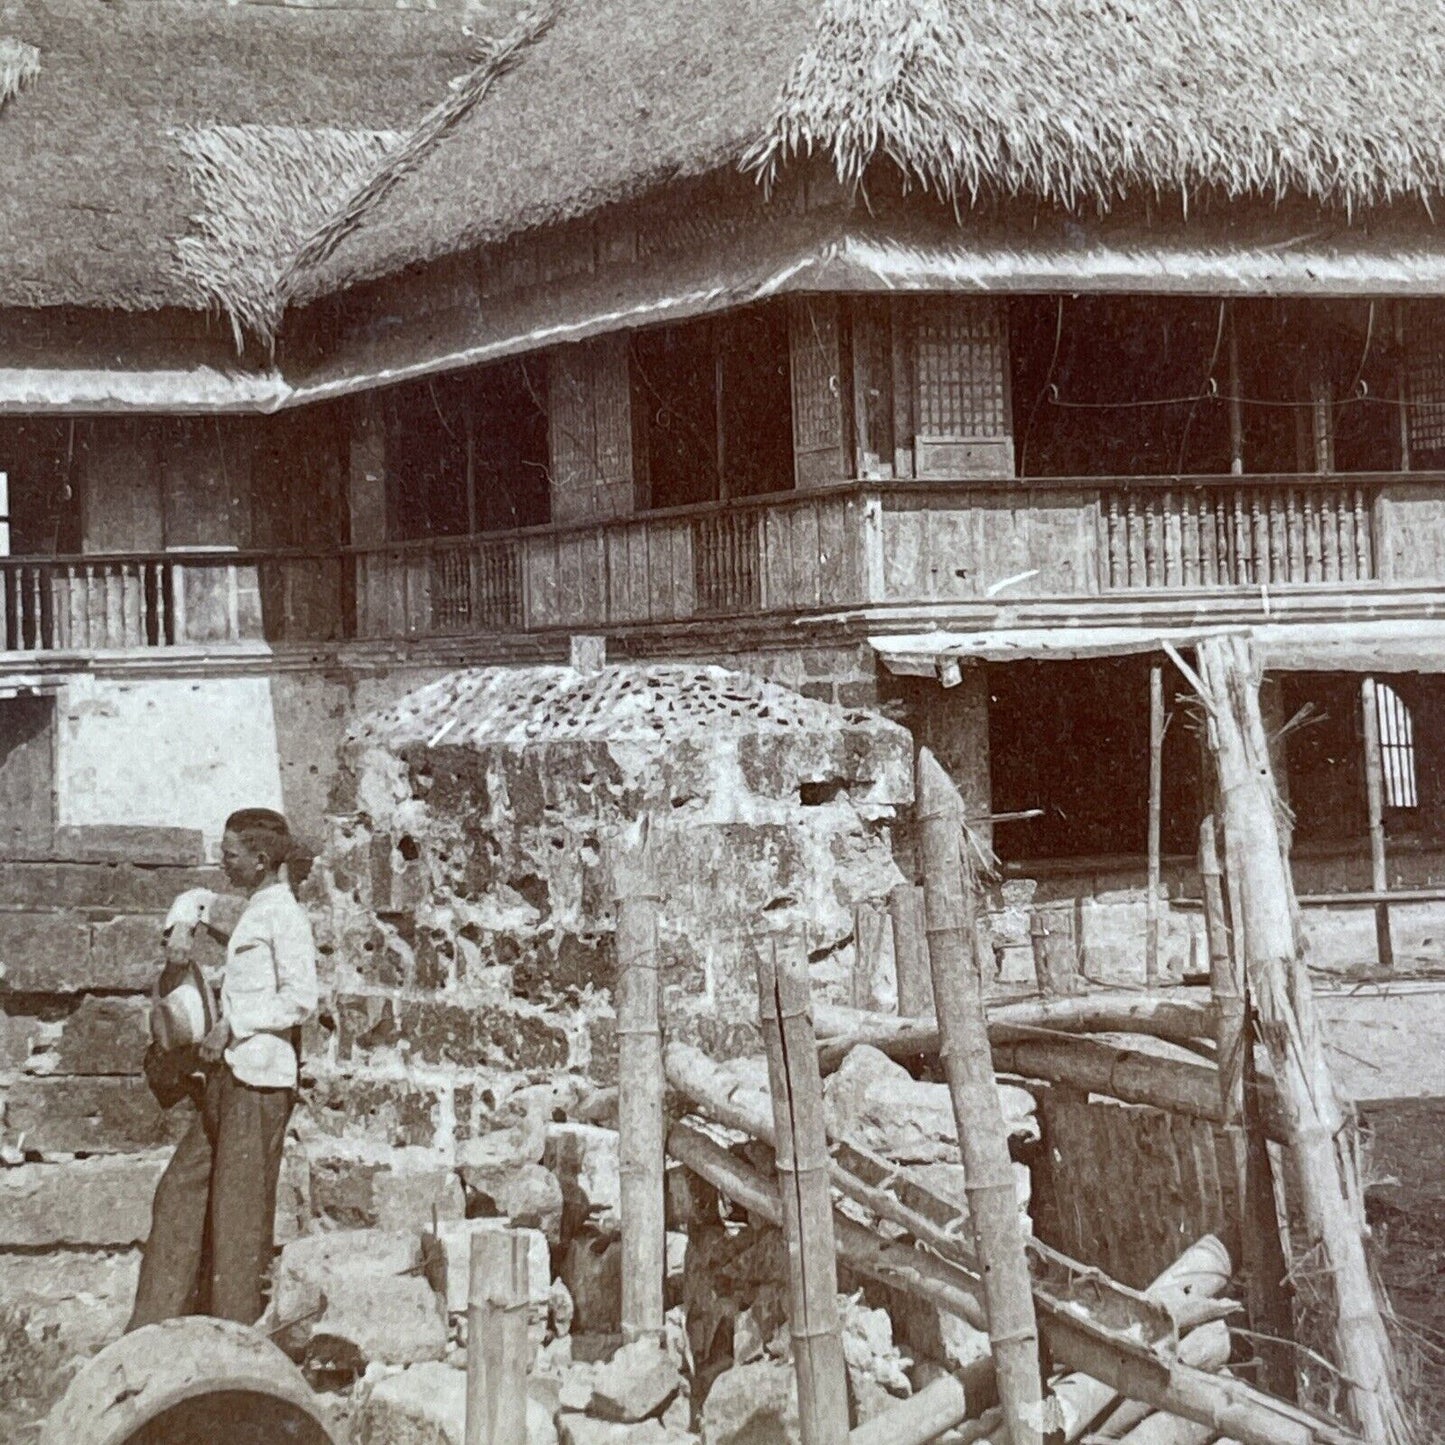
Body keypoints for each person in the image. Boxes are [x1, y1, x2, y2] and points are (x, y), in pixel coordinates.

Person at [128, 808, 319, 1329]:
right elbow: (199, 898)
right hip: (226, 1081)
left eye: (230, 854)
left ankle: (235, 1342)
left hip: (258, 1082)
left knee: (238, 1218)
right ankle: (152, 1331)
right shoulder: (255, 908)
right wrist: (182, 926)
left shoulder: (285, 916)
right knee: (178, 1194)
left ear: (260, 860)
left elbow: (302, 999)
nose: (221, 861)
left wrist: (234, 1025)